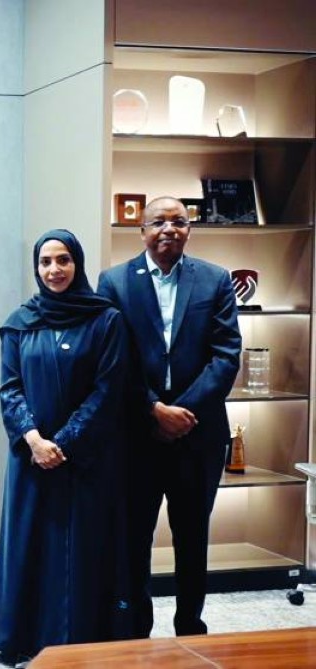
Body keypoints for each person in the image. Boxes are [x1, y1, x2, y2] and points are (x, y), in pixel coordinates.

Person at [97, 197, 242, 637]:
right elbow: (111, 359)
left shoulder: (215, 279)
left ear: (189, 230)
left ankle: (190, 627)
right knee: (134, 538)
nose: (168, 229)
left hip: (198, 435)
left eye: (179, 221)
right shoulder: (114, 282)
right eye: (158, 221)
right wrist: (153, 410)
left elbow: (225, 356)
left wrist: (183, 411)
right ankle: (135, 631)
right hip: (137, 436)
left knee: (193, 537)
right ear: (141, 231)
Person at [0, 230, 131, 663]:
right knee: (30, 547)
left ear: (78, 264)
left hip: (86, 461)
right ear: (36, 268)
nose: (54, 270)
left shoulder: (105, 319)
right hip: (31, 459)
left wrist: (63, 443)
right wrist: (34, 440)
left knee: (79, 552)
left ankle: (79, 641)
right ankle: (23, 639)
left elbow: (108, 391)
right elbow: (10, 388)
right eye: (46, 262)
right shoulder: (19, 322)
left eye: (63, 260)